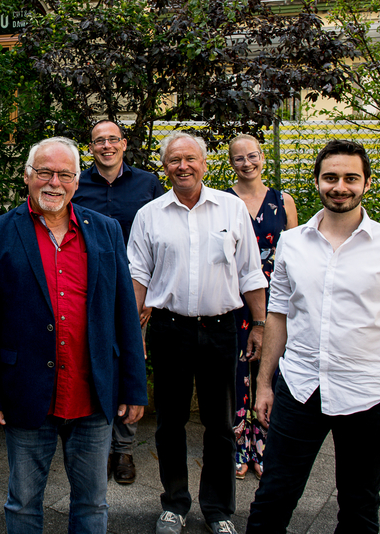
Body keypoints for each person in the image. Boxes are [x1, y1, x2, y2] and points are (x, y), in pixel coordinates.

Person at [246, 140, 380, 534]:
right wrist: (264, 384)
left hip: (368, 394)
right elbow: (278, 315)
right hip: (299, 388)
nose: (340, 187)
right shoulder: (293, 243)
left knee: (359, 506)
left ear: (366, 183)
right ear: (317, 182)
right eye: (331, 177)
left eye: (351, 178)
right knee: (272, 498)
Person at [0, 136, 148, 534]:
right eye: (45, 172)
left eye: (64, 174)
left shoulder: (106, 231)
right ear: (27, 176)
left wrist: (135, 387)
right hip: (27, 395)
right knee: (23, 504)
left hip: (92, 394)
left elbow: (124, 314)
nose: (54, 182)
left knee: (92, 503)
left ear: (77, 181)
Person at [128, 131, 267, 534]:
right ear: (165, 167)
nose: (183, 166)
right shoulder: (149, 214)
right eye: (174, 160)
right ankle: (174, 503)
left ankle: (219, 509)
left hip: (223, 330)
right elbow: (138, 276)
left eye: (190, 159)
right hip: (170, 330)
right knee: (169, 422)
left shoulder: (231, 209)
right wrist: (134, 330)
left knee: (221, 424)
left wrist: (258, 323)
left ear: (205, 164)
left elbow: (250, 270)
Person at [71, 119, 163, 486]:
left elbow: (161, 237)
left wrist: (151, 295)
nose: (106, 145)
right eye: (98, 141)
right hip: (87, 290)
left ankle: (123, 448)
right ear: (90, 148)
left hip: (136, 290)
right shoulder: (78, 185)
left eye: (112, 139)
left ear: (124, 144)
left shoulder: (147, 184)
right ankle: (94, 441)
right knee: (90, 358)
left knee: (131, 361)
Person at [223, 134, 298, 480]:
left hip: (278, 297)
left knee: (271, 368)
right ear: (230, 162)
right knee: (239, 370)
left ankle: (267, 439)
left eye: (252, 156)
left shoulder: (284, 201)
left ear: (263, 158)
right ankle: (240, 441)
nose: (246, 163)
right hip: (236, 297)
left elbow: (297, 254)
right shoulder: (223, 201)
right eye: (239, 158)